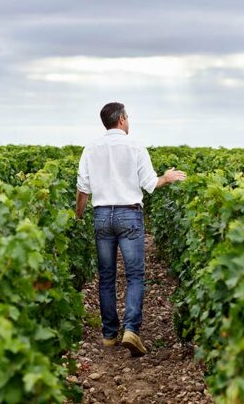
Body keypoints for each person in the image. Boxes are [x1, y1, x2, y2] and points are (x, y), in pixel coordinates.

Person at [75, 102, 187, 357]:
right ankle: (131, 330)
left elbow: (83, 188)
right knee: (135, 275)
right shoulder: (135, 146)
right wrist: (167, 178)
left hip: (102, 215)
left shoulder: (91, 148)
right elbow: (150, 184)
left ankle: (108, 335)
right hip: (129, 214)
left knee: (106, 276)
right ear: (122, 120)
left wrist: (78, 217)